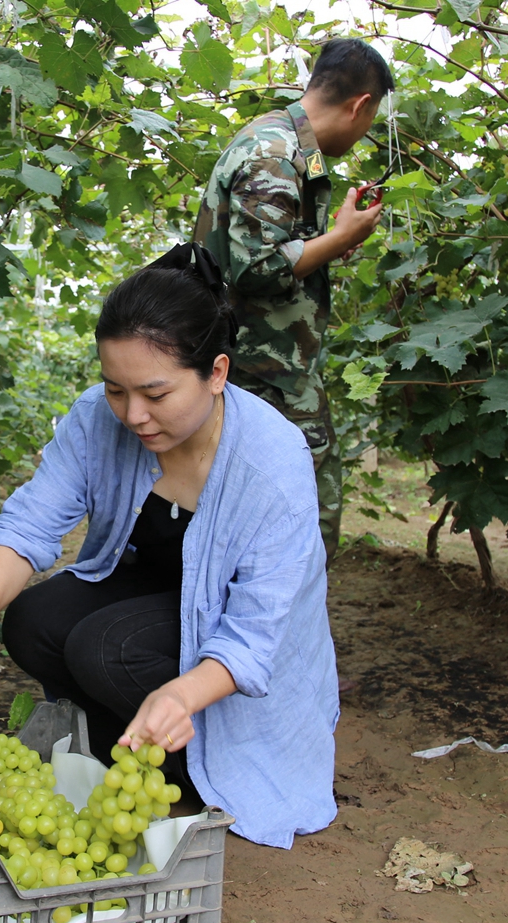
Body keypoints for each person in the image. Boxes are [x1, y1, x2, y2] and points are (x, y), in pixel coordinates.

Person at [0, 244, 339, 849]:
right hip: (152, 592)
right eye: (116, 389)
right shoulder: (97, 419)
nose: (132, 414)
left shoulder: (272, 465)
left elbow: (254, 634)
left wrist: (183, 693)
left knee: (104, 650)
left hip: (231, 634)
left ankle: (188, 752)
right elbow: (31, 522)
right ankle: (127, 746)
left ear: (217, 373)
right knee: (30, 621)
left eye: (155, 394)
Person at [194, 37, 395, 567]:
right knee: (301, 517)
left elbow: (270, 253)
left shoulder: (279, 143)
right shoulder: (276, 153)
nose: (367, 129)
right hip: (263, 374)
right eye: (372, 119)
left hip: (264, 367)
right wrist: (341, 237)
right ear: (362, 105)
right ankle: (276, 632)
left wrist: (329, 241)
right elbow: (255, 267)